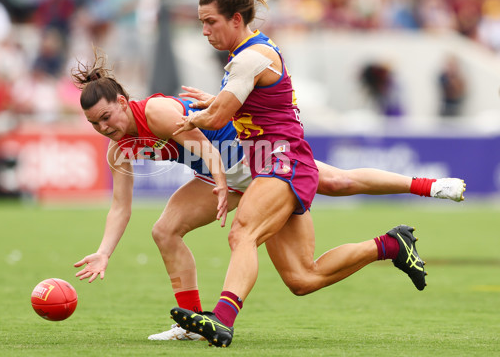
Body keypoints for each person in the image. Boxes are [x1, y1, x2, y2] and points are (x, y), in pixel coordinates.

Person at [70, 50, 466, 342]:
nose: (105, 128)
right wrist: (104, 251)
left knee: (335, 188)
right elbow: (120, 207)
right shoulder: (119, 148)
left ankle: (425, 193)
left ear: (123, 102)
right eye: (94, 124)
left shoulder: (154, 111)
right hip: (224, 176)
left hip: (256, 161)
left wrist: (224, 183)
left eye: (107, 117)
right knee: (165, 231)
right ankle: (190, 322)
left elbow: (206, 149)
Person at [167, 0, 454, 347]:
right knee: (304, 278)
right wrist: (214, 104)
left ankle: (221, 319)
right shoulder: (247, 57)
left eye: (210, 22)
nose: (204, 31)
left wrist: (183, 121)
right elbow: (234, 108)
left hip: (280, 160)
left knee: (243, 233)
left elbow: (220, 115)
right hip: (272, 162)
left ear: (236, 19)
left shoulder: (251, 57)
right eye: (201, 23)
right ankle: (390, 244)